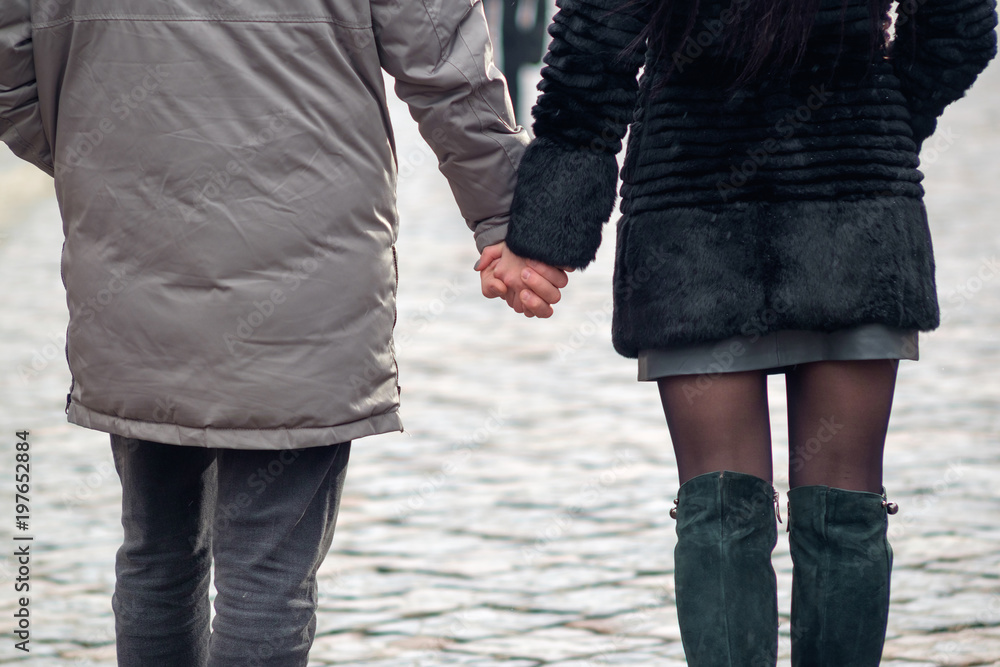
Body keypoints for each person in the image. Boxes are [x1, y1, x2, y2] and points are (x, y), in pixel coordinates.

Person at [0, 0, 568, 664]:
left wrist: (114, 165)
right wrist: (507, 217)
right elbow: (443, 56)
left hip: (136, 258)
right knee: (267, 576)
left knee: (157, 551)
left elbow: (10, 64)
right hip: (306, 263)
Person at [489, 0, 998, 664]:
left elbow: (592, 53)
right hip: (851, 197)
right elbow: (959, 27)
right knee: (844, 506)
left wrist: (546, 235)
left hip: (691, 206)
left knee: (720, 506)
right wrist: (885, 118)